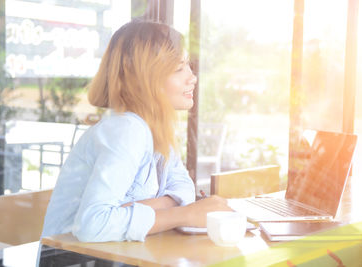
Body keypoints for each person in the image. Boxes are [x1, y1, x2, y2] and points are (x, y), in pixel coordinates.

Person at [41, 20, 231, 242]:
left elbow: (184, 187)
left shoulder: (156, 128)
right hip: (73, 259)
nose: (192, 77)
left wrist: (141, 208)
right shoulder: (127, 130)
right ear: (145, 78)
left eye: (188, 65)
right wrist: (184, 214)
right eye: (179, 68)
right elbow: (93, 225)